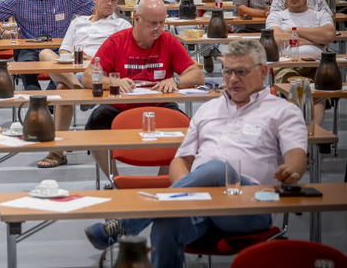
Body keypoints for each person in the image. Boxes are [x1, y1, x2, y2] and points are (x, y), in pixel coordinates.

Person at [84, 40, 307, 268]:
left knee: (217, 169)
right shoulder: (208, 109)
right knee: (166, 226)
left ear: (263, 72)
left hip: (251, 204)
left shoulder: (283, 111)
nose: (232, 79)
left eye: (241, 72)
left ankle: (125, 225)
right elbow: (180, 160)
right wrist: (187, 194)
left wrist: (291, 170)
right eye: (227, 72)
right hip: (201, 203)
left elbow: (297, 156)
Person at [82, 0, 204, 179]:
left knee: (189, 131)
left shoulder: (168, 41)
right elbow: (87, 76)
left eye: (162, 23)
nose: (158, 29)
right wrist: (112, 82)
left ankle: (165, 181)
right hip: (119, 107)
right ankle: (115, 181)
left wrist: (176, 81)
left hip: (159, 105)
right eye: (152, 23)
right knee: (95, 126)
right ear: (136, 19)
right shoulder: (117, 42)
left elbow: (197, 75)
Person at [36, 0, 132, 168]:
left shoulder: (121, 24)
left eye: (114, 0)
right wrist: (74, 60)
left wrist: (94, 59)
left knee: (63, 90)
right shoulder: (77, 22)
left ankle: (57, 152)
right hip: (72, 68)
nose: (110, 4)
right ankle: (78, 87)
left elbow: (122, 55)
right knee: (45, 53)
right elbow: (64, 51)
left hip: (99, 70)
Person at [266, 0, 334, 125]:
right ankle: (295, 141)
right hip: (285, 65)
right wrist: (315, 40)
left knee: (317, 96)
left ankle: (312, 141)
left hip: (317, 65)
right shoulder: (276, 16)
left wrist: (293, 32)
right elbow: (276, 40)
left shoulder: (320, 15)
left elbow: (329, 35)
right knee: (295, 92)